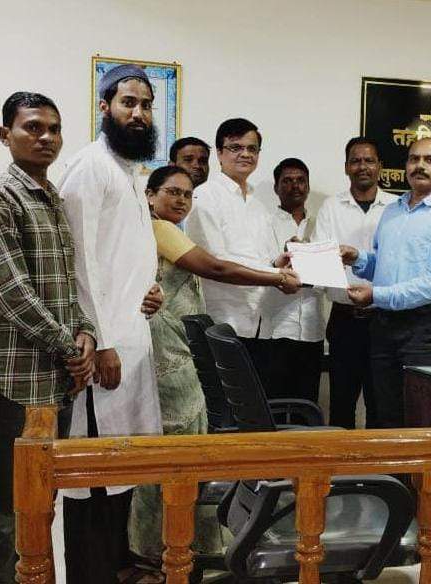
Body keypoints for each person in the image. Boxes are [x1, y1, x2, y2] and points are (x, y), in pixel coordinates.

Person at [129, 165, 300, 573]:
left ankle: (181, 543)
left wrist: (271, 266)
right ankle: (163, 548)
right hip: (166, 354)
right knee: (177, 451)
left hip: (177, 348)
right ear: (150, 195)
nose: (181, 200)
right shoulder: (158, 229)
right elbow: (217, 268)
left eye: (188, 194)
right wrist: (275, 277)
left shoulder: (166, 231)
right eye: (172, 191)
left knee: (186, 446)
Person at [0, 91, 96, 584]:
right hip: (16, 382)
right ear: (6, 135)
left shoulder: (54, 199)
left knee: (40, 505)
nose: (46, 137)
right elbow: (11, 292)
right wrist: (68, 346)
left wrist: (85, 333)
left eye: (54, 129)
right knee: (4, 509)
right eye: (33, 127)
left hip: (58, 383)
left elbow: (68, 285)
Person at [59, 64, 165, 584]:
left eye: (146, 105)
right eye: (128, 103)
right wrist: (98, 342)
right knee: (93, 477)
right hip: (103, 350)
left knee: (120, 473)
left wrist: (150, 287)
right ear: (104, 107)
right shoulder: (90, 166)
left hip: (131, 342)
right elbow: (79, 262)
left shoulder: (129, 171)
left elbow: (120, 255)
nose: (138, 113)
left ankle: (115, 568)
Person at [341, 137, 431, 428]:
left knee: (420, 417)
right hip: (383, 326)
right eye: (414, 159)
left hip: (423, 329)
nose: (419, 166)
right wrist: (357, 258)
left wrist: (377, 295)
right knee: (384, 415)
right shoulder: (392, 211)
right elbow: (384, 266)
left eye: (429, 160)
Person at [185, 118, 280, 390]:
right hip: (222, 324)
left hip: (260, 322)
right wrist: (278, 276)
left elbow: (263, 259)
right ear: (219, 153)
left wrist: (280, 262)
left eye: (252, 148)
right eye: (236, 147)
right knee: (226, 407)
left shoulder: (259, 205)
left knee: (255, 404)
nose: (245, 154)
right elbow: (216, 264)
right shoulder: (204, 197)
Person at [313, 137, 397, 428]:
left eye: (369, 160)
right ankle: (342, 460)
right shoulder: (331, 207)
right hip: (344, 320)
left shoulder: (396, 207)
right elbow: (321, 261)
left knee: (381, 403)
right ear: (346, 167)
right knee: (341, 403)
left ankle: (376, 460)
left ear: (380, 166)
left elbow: (398, 260)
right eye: (356, 161)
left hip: (383, 320)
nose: (363, 167)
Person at [258, 158, 325, 402]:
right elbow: (256, 269)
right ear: (276, 188)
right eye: (287, 181)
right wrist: (281, 261)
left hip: (312, 329)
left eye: (300, 180)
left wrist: (310, 261)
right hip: (275, 329)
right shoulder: (263, 223)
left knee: (307, 405)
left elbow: (330, 274)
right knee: (274, 405)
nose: (295, 186)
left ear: (308, 186)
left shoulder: (321, 225)